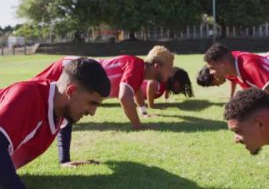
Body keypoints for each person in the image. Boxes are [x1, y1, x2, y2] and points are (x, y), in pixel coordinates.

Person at [34, 45, 175, 167]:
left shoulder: (138, 69)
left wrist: (143, 111)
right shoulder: (136, 65)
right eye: (169, 69)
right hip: (70, 67)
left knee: (45, 104)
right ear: (157, 66)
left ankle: (63, 159)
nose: (170, 74)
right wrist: (138, 126)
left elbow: (136, 90)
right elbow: (125, 97)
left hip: (72, 65)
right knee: (35, 98)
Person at [0, 58, 110, 188]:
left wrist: (64, 159)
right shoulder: (28, 96)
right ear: (71, 92)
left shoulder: (60, 105)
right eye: (92, 103)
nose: (92, 112)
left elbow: (65, 122)